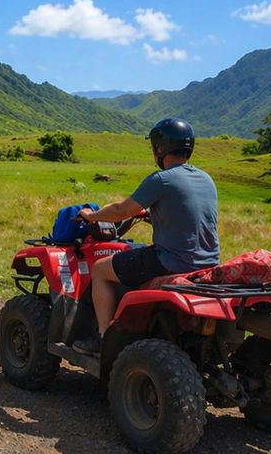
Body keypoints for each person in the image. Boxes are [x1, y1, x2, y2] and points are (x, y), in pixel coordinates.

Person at [72, 117, 219, 355]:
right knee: (134, 252)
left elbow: (120, 211)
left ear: (159, 148)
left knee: (100, 269)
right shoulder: (206, 179)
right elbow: (188, 213)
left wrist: (92, 216)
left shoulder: (161, 179)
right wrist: (153, 215)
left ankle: (102, 338)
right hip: (208, 263)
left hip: (172, 262)